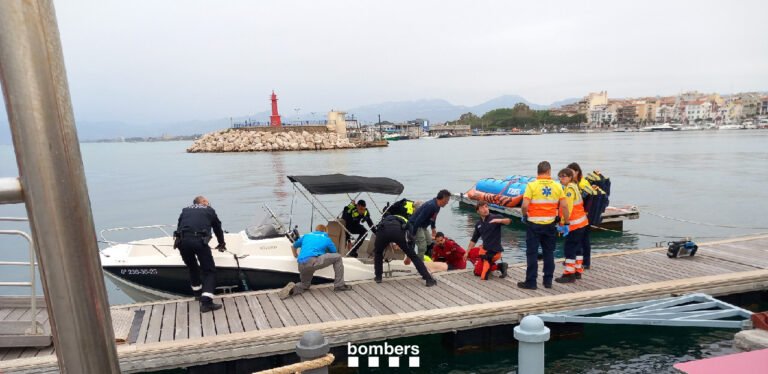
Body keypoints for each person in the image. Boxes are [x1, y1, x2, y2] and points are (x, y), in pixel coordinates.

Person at [519, 161, 568, 290]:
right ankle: (548, 282)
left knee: (532, 254)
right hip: (550, 224)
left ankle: (531, 282)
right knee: (549, 253)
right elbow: (564, 206)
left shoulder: (532, 185)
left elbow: (524, 205)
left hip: (533, 225)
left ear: (538, 172)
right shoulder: (557, 186)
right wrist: (565, 222)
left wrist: (525, 216)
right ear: (549, 171)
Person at [175, 196, 226, 313]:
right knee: (209, 271)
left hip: (182, 242)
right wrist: (221, 243)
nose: (208, 202)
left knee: (192, 268)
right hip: (199, 241)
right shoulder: (209, 210)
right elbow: (218, 228)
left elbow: (179, 226)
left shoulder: (185, 210)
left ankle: (197, 294)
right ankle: (206, 302)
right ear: (202, 202)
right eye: (206, 201)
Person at [279, 224, 352, 299]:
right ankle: (339, 285)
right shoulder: (326, 238)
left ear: (316, 230)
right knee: (338, 257)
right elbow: (334, 252)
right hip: (313, 261)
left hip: (301, 264)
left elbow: (294, 246)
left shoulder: (306, 235)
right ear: (325, 231)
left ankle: (292, 290)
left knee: (305, 285)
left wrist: (296, 255)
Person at [373, 212, 437, 287]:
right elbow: (411, 234)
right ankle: (428, 279)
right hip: (398, 233)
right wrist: (410, 253)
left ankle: (378, 277)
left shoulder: (383, 221)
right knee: (414, 257)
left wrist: (382, 245)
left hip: (383, 232)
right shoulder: (400, 217)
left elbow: (378, 233)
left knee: (378, 253)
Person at [554, 168, 589, 283]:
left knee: (569, 248)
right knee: (578, 248)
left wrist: (564, 222)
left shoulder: (569, 190)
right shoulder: (575, 186)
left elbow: (567, 208)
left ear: (570, 177)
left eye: (563, 176)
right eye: (559, 176)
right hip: (582, 223)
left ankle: (569, 273)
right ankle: (578, 271)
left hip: (573, 224)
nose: (561, 179)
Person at [464, 201, 511, 280]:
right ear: (478, 211)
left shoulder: (495, 217)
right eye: (482, 208)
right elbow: (473, 240)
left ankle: (497, 265)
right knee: (471, 258)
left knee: (482, 276)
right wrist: (467, 252)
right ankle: (492, 265)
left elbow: (509, 221)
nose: (485, 209)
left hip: (493, 252)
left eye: (486, 207)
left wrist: (500, 221)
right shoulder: (478, 224)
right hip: (484, 250)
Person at [408, 190, 451, 257]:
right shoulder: (431, 206)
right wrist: (413, 234)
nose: (447, 202)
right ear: (443, 199)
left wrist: (433, 228)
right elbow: (418, 220)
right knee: (422, 247)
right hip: (415, 225)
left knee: (429, 242)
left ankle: (425, 258)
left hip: (422, 226)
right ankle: (419, 264)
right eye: (447, 200)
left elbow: (433, 218)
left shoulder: (437, 206)